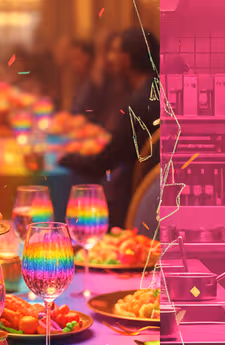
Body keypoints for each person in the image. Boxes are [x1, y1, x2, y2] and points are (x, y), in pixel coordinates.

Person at [59, 28, 160, 228]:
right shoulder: (156, 89)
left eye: (115, 51)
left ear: (128, 58)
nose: (110, 58)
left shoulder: (139, 104)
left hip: (139, 199)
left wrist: (65, 158)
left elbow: (103, 162)